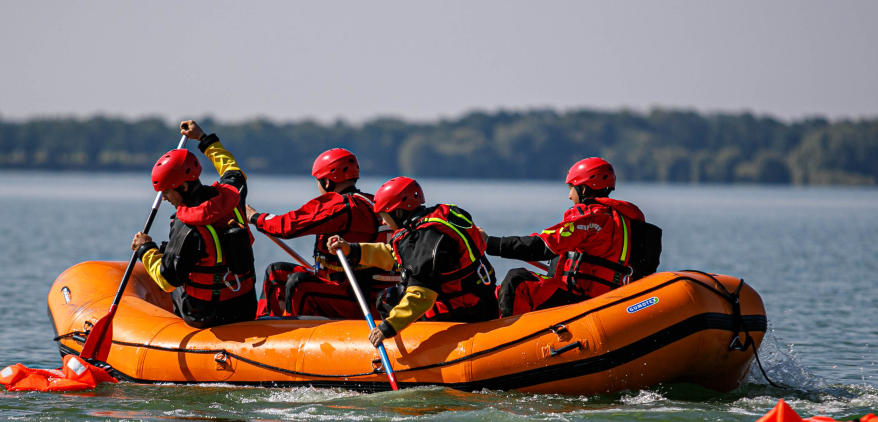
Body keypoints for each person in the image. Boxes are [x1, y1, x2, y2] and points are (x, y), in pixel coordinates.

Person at [326, 177, 497, 347]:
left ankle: (414, 351)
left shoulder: (423, 240)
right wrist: (352, 249)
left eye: (385, 216)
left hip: (461, 313)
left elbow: (421, 296)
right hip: (483, 301)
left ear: (398, 212)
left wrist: (387, 327)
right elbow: (395, 256)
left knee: (388, 298)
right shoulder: (436, 221)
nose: (384, 222)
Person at [488, 157, 662, 318]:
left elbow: (543, 245)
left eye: (571, 188)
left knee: (516, 280)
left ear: (584, 188)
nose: (570, 196)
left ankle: (508, 338)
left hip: (581, 300)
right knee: (499, 292)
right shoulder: (623, 219)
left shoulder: (589, 216)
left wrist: (490, 243)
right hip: (605, 300)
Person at [131, 120, 256, 328]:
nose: (163, 199)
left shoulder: (185, 226)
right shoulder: (234, 192)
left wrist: (145, 248)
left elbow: (167, 281)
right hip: (245, 308)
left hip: (208, 317)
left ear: (184, 187)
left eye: (166, 192)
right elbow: (230, 168)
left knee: (175, 285)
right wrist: (203, 138)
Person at [247, 149, 394, 318]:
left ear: (327, 181)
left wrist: (255, 217)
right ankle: (264, 324)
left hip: (359, 299)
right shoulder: (370, 201)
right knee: (276, 272)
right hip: (360, 291)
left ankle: (295, 336)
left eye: (318, 181)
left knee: (300, 284)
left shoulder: (342, 205)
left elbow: (287, 226)